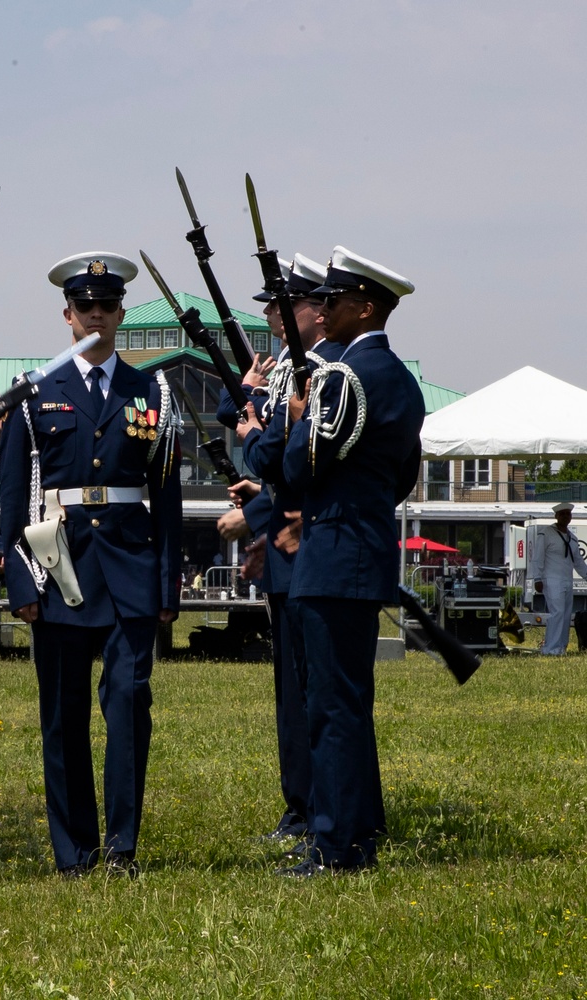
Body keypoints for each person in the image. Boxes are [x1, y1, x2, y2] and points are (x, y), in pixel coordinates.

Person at [0, 251, 182, 879]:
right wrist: (22, 577)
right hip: (62, 571)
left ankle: (122, 848)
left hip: (130, 569)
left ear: (121, 313)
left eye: (107, 306)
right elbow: (14, 495)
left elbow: (168, 498)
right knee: (63, 716)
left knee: (129, 705)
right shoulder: (35, 393)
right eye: (85, 307)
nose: (96, 315)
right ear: (68, 316)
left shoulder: (151, 388)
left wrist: (166, 584)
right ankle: (73, 853)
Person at [273, 246, 425, 876]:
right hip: (360, 549)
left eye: (333, 301)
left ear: (364, 307)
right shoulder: (402, 382)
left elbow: (295, 468)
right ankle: (356, 833)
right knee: (348, 706)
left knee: (331, 710)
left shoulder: (346, 378)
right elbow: (400, 478)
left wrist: (281, 429)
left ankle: (335, 847)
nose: (322, 310)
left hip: (333, 558)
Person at [229, 253, 342, 846]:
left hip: (307, 545)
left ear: (317, 311)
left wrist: (253, 439)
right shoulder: (290, 373)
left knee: (309, 693)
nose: (273, 313)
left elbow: (277, 457)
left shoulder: (318, 375)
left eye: (284, 303)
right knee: (292, 693)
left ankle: (314, 807)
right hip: (286, 547)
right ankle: (301, 803)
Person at [529, 502, 587, 655]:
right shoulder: (546, 533)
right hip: (551, 579)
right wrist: (537, 578)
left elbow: (579, 563)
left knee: (567, 614)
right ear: (556, 516)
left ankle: (561, 647)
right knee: (557, 613)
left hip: (567, 580)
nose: (566, 517)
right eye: (562, 514)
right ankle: (551, 648)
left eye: (568, 514)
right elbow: (537, 558)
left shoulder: (572, 538)